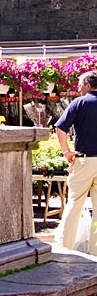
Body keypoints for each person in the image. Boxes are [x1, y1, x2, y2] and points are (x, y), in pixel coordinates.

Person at [55, 70, 97, 254]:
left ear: (88, 85)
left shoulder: (79, 102)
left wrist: (66, 151)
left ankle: (65, 247)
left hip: (84, 160)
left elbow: (60, 128)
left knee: (74, 203)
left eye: (80, 85)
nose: (78, 89)